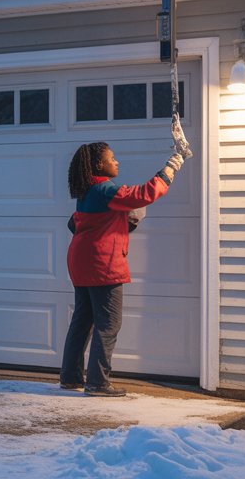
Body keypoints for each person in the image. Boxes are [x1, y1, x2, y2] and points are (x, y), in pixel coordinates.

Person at [58, 141, 187, 396]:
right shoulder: (104, 189)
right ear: (99, 164)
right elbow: (143, 195)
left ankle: (70, 377)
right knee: (108, 324)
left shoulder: (88, 192)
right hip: (102, 264)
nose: (116, 162)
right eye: (112, 158)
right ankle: (97, 382)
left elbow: (80, 225)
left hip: (81, 262)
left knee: (82, 321)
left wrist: (129, 222)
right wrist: (171, 167)